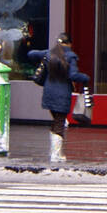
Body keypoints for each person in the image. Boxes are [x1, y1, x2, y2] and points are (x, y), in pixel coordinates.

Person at [26, 32, 89, 162]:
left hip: (49, 94)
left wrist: (45, 56)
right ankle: (55, 154)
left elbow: (31, 54)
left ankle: (55, 152)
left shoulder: (49, 53)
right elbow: (73, 75)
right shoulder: (70, 56)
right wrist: (85, 77)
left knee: (56, 121)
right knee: (59, 123)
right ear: (69, 43)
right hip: (62, 95)